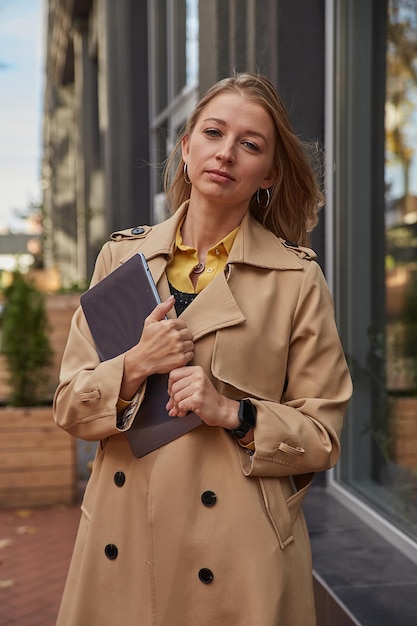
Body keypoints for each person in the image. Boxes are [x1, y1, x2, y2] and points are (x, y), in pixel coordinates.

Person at [54, 72, 352, 626]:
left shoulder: (296, 279)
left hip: (237, 553)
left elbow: (323, 435)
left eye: (251, 144)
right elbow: (70, 405)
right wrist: (135, 365)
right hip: (120, 543)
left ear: (270, 173)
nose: (226, 153)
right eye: (213, 133)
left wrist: (233, 412)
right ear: (186, 147)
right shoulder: (121, 259)